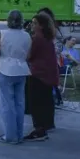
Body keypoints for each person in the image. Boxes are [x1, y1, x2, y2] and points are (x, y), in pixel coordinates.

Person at [0, 10, 31, 144]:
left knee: (7, 104)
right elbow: (28, 55)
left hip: (6, 69)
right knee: (20, 103)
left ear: (8, 20)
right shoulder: (27, 35)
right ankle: (19, 135)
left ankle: (10, 136)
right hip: (22, 69)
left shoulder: (1, 33)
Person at [25, 12, 58, 141]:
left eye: (35, 23)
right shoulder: (48, 37)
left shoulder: (37, 39)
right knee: (47, 100)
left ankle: (39, 130)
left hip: (39, 74)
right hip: (49, 74)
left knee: (36, 103)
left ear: (41, 25)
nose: (32, 25)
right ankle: (48, 124)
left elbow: (29, 56)